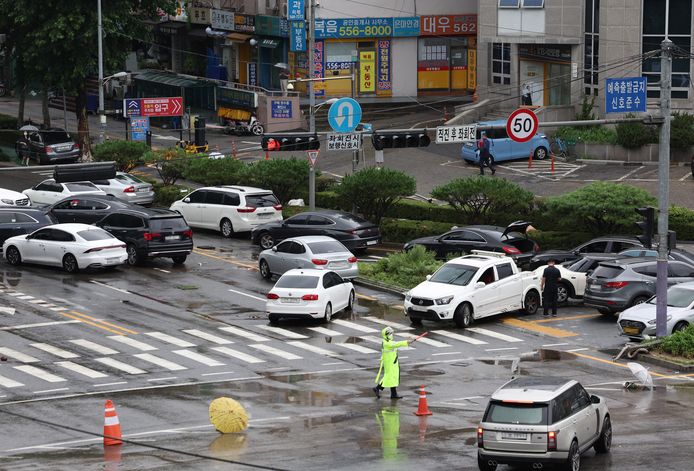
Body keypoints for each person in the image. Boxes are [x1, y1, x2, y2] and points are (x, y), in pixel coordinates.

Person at [373, 326, 416, 399]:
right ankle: (377, 388)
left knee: (393, 377)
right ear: (387, 335)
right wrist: (407, 342)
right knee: (389, 376)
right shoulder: (387, 343)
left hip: (392, 361)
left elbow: (395, 343)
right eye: (390, 334)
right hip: (390, 362)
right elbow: (396, 344)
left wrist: (408, 341)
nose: (392, 335)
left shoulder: (387, 341)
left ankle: (393, 394)